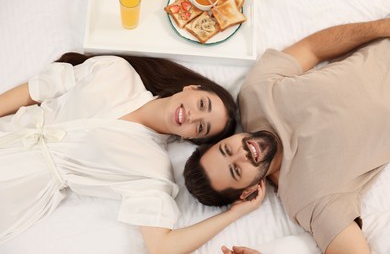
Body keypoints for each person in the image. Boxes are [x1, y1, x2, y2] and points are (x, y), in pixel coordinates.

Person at [0, 52, 264, 254]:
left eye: (201, 127)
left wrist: (235, 213)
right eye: (202, 104)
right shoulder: (117, 71)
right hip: (9, 130)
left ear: (191, 138)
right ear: (191, 88)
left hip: (20, 186)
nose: (193, 116)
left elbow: (163, 247)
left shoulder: (153, 170)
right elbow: (34, 91)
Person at [184, 17, 390, 254]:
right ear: (248, 191)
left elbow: (312, 49)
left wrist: (383, 27)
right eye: (236, 170)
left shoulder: (254, 93)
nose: (243, 153)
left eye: (227, 150)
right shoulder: (309, 200)